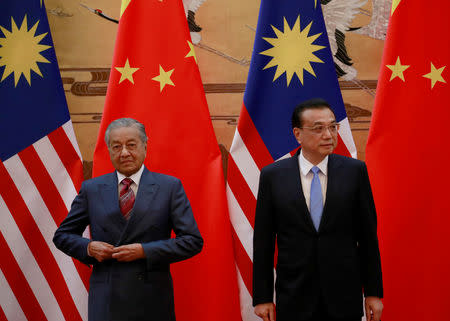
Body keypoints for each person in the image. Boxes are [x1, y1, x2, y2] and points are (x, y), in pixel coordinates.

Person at [53, 118, 203, 321]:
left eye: (131, 145)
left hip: (152, 299)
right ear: (109, 150)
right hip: (106, 299)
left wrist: (144, 251)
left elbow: (192, 241)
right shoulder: (92, 189)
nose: (124, 153)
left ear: (145, 146)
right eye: (117, 146)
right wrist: (89, 248)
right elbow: (62, 235)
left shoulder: (169, 187)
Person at [252, 98, 383, 321]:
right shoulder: (273, 176)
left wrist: (373, 292)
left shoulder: (355, 171)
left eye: (333, 127)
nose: (329, 135)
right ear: (297, 134)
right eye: (318, 128)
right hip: (294, 294)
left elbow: (368, 238)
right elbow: (263, 241)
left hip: (344, 295)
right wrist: (262, 297)